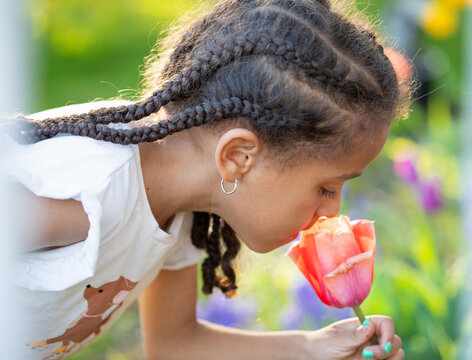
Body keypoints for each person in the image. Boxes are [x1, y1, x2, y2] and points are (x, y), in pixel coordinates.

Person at [4, 0, 414, 358]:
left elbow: (173, 344)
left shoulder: (183, 204)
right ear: (237, 156)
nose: (333, 210)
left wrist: (311, 349)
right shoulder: (87, 192)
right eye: (326, 187)